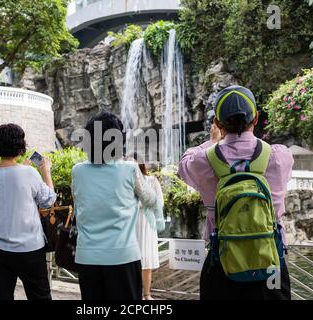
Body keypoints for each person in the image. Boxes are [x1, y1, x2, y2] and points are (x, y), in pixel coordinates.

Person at [178, 85, 294, 300]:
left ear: (218, 124)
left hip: (222, 263)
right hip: (270, 264)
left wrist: (212, 142)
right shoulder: (279, 156)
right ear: (256, 118)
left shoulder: (204, 161)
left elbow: (183, 165)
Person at [72, 111, 158, 301]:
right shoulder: (129, 169)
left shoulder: (78, 171)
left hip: (87, 258)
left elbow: (79, 205)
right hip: (122, 257)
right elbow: (151, 201)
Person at [0, 123, 57, 300]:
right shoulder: (29, 173)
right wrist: (46, 171)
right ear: (20, 146)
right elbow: (49, 200)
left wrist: (22, 167)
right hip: (29, 249)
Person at [134, 158, 165, 300]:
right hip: (131, 223)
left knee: (146, 260)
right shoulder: (127, 181)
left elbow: (160, 202)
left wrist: (142, 204)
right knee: (132, 259)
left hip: (147, 223)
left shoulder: (152, 181)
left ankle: (147, 294)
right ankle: (134, 293)